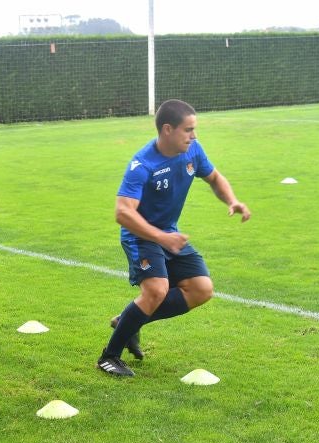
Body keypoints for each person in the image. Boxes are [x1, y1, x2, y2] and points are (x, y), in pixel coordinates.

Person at [97, 99, 251, 377]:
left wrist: (232, 200)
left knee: (201, 289)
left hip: (169, 233)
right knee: (156, 290)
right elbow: (123, 213)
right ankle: (109, 356)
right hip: (141, 235)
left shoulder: (193, 150)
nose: (194, 136)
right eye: (188, 130)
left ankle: (128, 322)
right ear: (167, 129)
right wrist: (160, 238)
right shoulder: (142, 164)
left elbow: (214, 177)